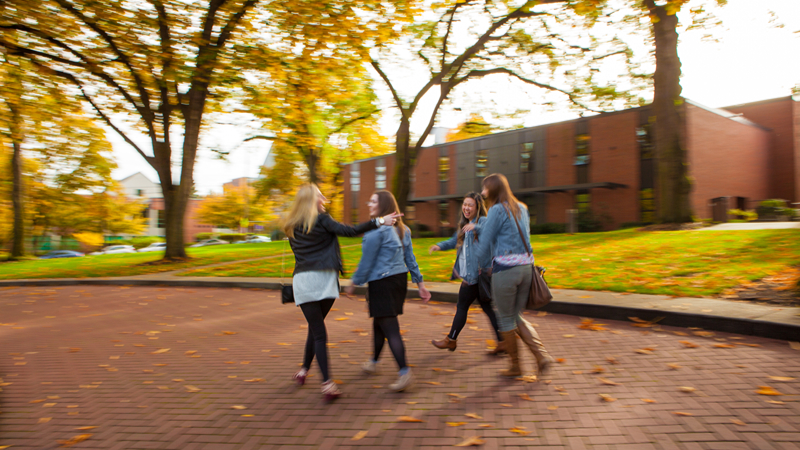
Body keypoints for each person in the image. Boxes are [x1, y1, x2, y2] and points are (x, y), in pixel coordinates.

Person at [284, 183, 400, 402]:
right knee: (318, 332)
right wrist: (379, 221)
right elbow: (350, 231)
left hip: (302, 281)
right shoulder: (322, 220)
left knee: (315, 328)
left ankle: (304, 371)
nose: (324, 198)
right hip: (324, 280)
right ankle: (327, 384)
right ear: (311, 200)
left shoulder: (291, 226)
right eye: (320, 196)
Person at [465, 173, 555, 378]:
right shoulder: (522, 208)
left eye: (485, 188)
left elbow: (486, 242)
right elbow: (509, 232)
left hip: (506, 271)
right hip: (526, 269)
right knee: (515, 316)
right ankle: (542, 357)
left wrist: (472, 265)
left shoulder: (496, 209)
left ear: (494, 190)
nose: (482, 192)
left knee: (506, 320)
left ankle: (516, 367)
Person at [345, 190, 431, 392]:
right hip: (398, 282)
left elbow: (366, 262)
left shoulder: (376, 232)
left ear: (383, 206)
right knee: (380, 323)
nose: (369, 204)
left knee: (390, 328)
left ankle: (404, 372)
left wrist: (354, 282)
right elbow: (410, 259)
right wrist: (420, 284)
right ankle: (373, 362)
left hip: (382, 282)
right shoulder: (404, 230)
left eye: (373, 201)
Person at [428, 192, 502, 354]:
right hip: (477, 276)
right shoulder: (465, 223)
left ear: (477, 207)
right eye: (464, 204)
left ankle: (451, 340)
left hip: (475, 277)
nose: (466, 208)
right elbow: (454, 240)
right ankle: (503, 342)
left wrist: (476, 226)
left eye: (470, 205)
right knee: (488, 309)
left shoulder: (481, 221)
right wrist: (439, 246)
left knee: (462, 307)